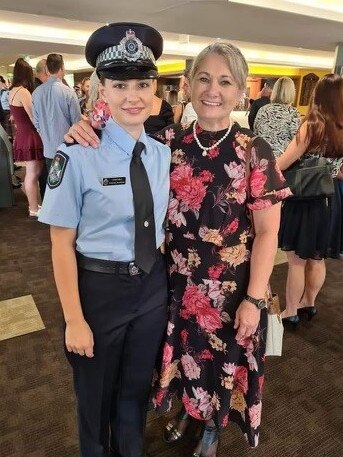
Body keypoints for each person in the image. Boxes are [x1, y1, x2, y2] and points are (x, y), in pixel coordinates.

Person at [65, 41, 291, 456]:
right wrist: (85, 125)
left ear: (241, 91)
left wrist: (254, 299)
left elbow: (267, 234)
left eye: (225, 81)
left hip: (229, 289)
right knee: (178, 358)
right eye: (204, 78)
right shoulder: (167, 141)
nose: (213, 90)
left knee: (220, 365)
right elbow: (116, 125)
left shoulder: (253, 151)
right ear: (188, 85)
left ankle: (212, 428)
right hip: (170, 283)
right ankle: (187, 411)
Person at [38, 22, 171, 457]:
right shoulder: (76, 155)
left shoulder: (162, 153)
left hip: (151, 286)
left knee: (134, 394)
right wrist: (74, 319)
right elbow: (61, 243)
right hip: (98, 291)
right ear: (102, 93)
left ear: (155, 92)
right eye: (119, 84)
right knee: (94, 401)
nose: (132, 95)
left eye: (142, 83)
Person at [277, 73, 343, 327]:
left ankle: (291, 310)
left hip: (304, 199)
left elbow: (282, 163)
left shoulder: (312, 125)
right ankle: (309, 302)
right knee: (317, 257)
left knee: (296, 260)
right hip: (331, 199)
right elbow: (339, 172)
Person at [32, 53, 81, 199]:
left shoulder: (36, 93)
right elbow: (76, 122)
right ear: (62, 68)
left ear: (47, 69)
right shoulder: (68, 92)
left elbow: (37, 123)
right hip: (67, 148)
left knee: (52, 183)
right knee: (68, 185)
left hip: (48, 148)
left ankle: (52, 215)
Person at [9, 58, 44, 217]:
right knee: (32, 174)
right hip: (29, 135)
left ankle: (34, 204)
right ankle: (33, 208)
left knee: (34, 172)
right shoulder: (23, 91)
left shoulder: (12, 91)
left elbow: (15, 116)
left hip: (23, 135)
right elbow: (33, 116)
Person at [253, 76, 301, 157]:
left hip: (262, 157)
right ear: (292, 92)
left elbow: (256, 132)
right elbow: (297, 140)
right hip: (282, 161)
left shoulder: (263, 109)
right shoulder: (293, 113)